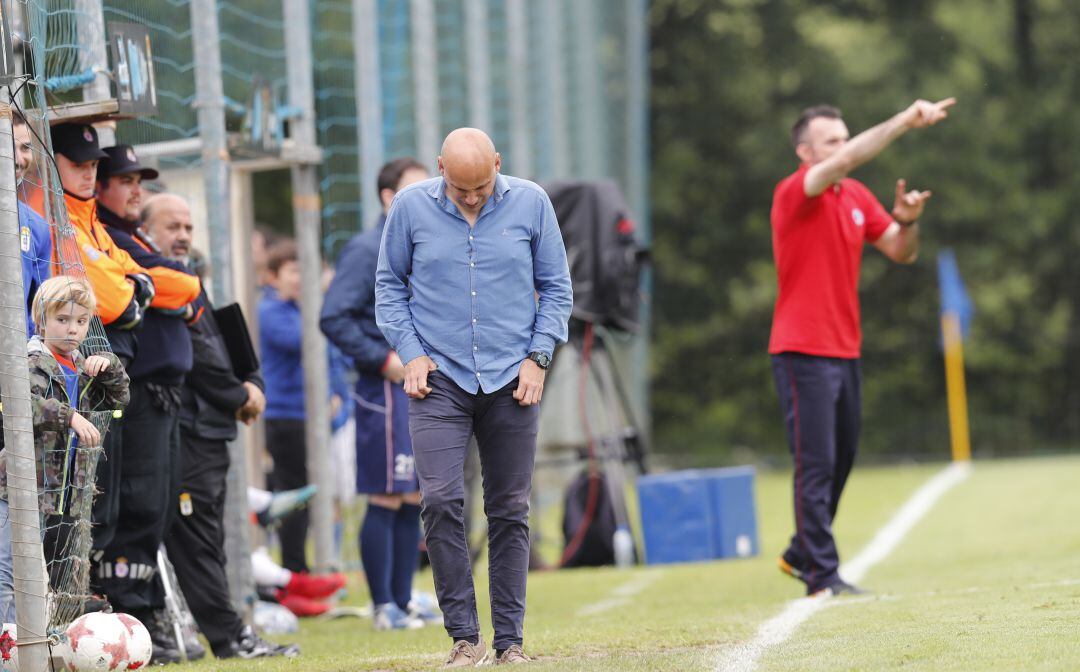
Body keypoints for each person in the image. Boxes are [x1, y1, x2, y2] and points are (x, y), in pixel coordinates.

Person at [375, 128, 573, 666]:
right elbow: (389, 287)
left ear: (498, 166)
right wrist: (410, 353)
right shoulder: (410, 209)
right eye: (460, 187)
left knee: (509, 508)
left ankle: (510, 642)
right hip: (438, 378)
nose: (470, 197)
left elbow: (557, 289)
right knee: (440, 501)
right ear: (440, 167)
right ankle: (464, 637)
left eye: (481, 187)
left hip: (513, 378)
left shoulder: (532, 203)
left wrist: (539, 359)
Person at [769, 99, 955, 596]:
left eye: (844, 136)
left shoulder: (853, 195)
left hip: (845, 350)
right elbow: (849, 160)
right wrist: (903, 121)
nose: (843, 147)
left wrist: (908, 220)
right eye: (832, 140)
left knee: (843, 459)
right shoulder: (796, 191)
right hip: (801, 351)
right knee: (816, 466)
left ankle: (798, 552)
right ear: (806, 152)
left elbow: (900, 250)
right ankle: (821, 575)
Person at [142, 193, 301, 659]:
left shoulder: (190, 276)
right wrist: (240, 395)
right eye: (172, 226)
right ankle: (227, 637)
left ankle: (205, 634)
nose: (183, 235)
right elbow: (197, 355)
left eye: (188, 226)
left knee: (205, 535)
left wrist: (250, 380)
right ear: (145, 230)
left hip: (211, 429)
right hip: (186, 427)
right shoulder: (160, 281)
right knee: (193, 536)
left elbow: (219, 337)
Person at [95, 146, 203, 663]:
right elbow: (174, 285)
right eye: (124, 180)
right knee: (133, 508)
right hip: (133, 394)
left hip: (163, 396)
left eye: (140, 180)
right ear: (99, 184)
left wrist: (154, 286)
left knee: (154, 512)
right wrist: (154, 287)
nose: (135, 189)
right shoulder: (107, 234)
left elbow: (185, 287)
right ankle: (127, 615)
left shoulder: (127, 237)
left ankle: (142, 616)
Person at [321, 157, 437, 631]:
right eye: (415, 190)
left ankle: (405, 598)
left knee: (412, 494)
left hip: (424, 385)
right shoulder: (367, 248)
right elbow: (333, 317)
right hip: (383, 389)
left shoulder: (423, 244)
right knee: (386, 494)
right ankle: (382, 605)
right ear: (389, 198)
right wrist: (383, 360)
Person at [0, 276, 129, 623]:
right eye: (62, 319)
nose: (72, 329)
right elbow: (21, 405)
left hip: (66, 496)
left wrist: (110, 367)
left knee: (56, 580)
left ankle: (45, 644)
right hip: (22, 490)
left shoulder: (84, 367)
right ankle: (7, 647)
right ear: (41, 320)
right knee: (9, 572)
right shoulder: (30, 362)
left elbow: (120, 398)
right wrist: (69, 416)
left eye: (81, 321)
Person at [13, 111, 52, 336]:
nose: (18, 159)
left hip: (16, 360)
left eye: (25, 148)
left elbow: (40, 308)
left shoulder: (36, 225)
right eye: (5, 146)